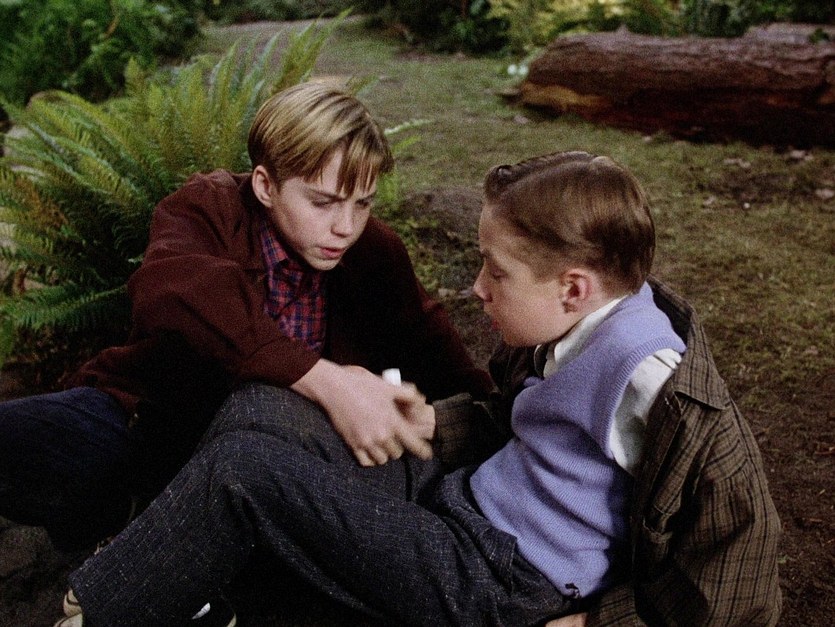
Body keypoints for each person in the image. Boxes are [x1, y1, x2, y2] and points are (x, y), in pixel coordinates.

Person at [57, 151, 782, 626]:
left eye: (495, 271)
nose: (477, 287)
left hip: (496, 581)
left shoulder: (662, 388)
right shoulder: (574, 323)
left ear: (572, 287)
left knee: (245, 474)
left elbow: (740, 576)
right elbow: (529, 426)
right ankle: (202, 582)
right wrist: (433, 422)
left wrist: (600, 622)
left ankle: (95, 610)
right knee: (265, 405)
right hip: (465, 498)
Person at [0, 80, 491, 615]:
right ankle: (119, 526)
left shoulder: (375, 253)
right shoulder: (208, 207)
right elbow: (169, 291)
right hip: (149, 421)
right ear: (265, 185)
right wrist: (326, 380)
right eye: (322, 202)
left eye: (363, 203)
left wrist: (497, 417)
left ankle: (164, 561)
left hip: (259, 465)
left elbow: (445, 362)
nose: (344, 227)